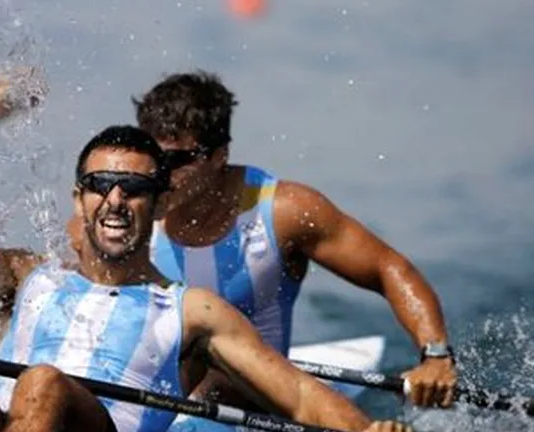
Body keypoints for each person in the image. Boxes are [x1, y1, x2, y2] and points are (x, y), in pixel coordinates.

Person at [0, 72, 413, 432]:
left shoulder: (193, 310)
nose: (115, 201)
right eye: (100, 184)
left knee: (44, 385)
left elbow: (296, 393)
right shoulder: (27, 276)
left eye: (135, 190)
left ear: (161, 202)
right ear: (79, 198)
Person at [69, 70, 457, 410]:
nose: (159, 173)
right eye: (153, 156)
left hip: (248, 392)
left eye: (177, 160)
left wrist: (435, 355)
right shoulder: (115, 216)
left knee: (210, 365)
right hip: (142, 389)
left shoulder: (285, 212)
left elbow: (388, 269)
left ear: (219, 155)